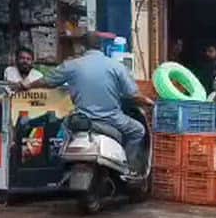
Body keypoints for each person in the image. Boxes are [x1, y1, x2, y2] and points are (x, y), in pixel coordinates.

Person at [21, 32, 153, 170]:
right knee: (138, 130)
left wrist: (27, 85)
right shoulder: (117, 67)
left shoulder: (71, 65)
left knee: (59, 135)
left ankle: (55, 169)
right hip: (113, 120)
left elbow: (47, 81)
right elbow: (133, 95)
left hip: (80, 120)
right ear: (101, 47)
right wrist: (148, 102)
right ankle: (129, 169)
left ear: (82, 48)